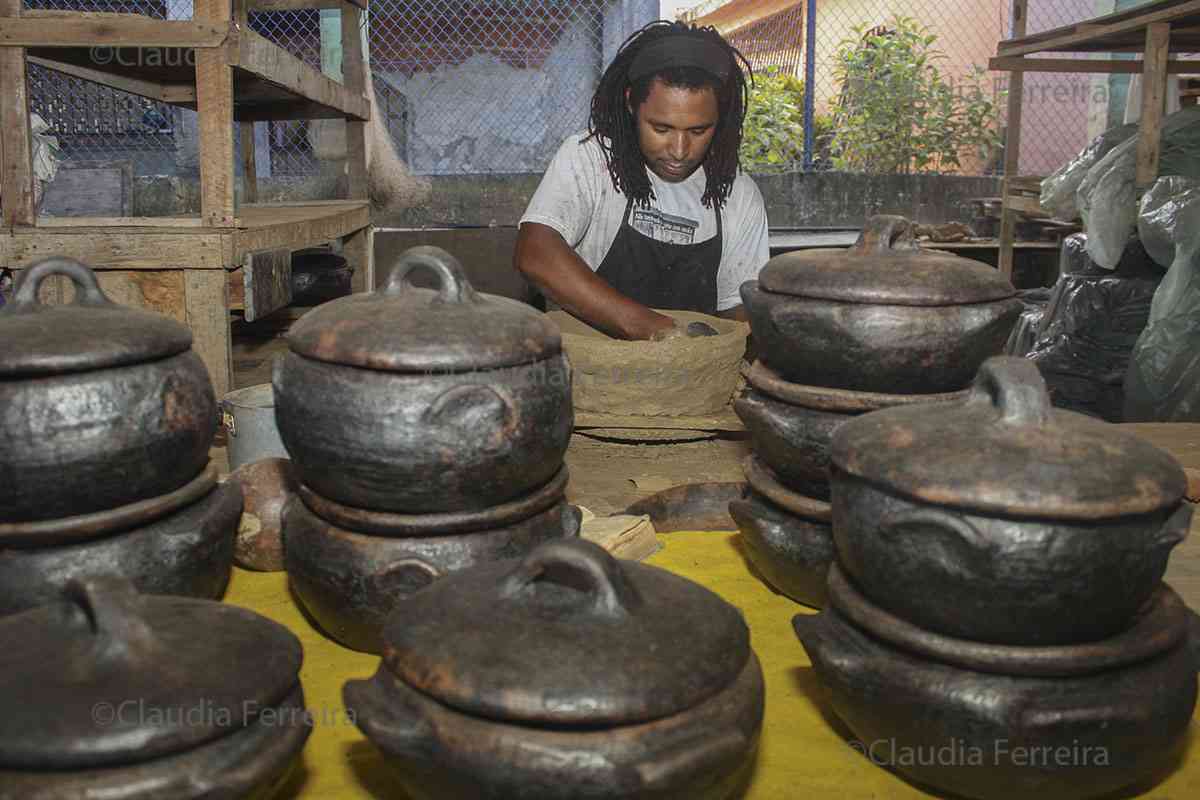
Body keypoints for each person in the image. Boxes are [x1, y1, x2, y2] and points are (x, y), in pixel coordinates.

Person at [515, 21, 770, 340]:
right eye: (661, 129)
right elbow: (536, 252)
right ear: (631, 102)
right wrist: (653, 329)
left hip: (688, 378)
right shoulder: (592, 160)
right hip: (592, 374)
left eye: (698, 131)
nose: (679, 151)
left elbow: (737, 312)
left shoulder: (737, 193)